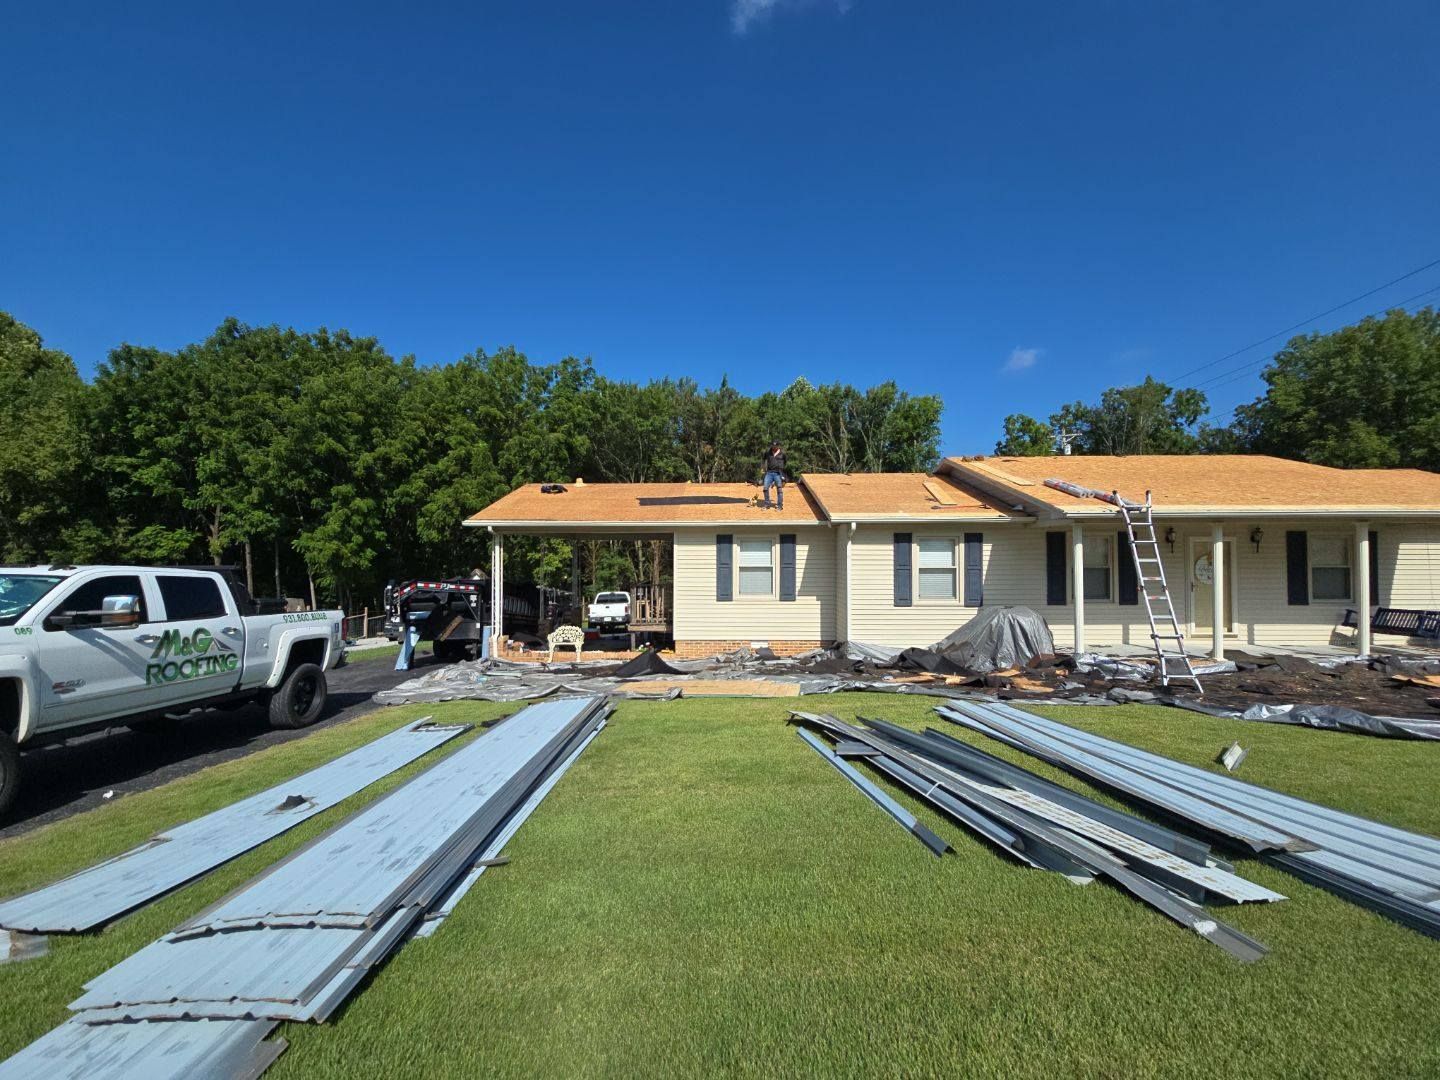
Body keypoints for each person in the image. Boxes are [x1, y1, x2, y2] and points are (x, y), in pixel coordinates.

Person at [761, 441, 786, 510]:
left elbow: (785, 462)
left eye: (775, 446)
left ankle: (780, 505)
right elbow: (763, 459)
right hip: (769, 473)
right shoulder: (768, 452)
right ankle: (767, 504)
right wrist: (763, 468)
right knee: (765, 488)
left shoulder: (782, 453)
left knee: (779, 490)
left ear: (778, 446)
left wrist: (782, 472)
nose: (773, 447)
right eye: (772, 446)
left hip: (778, 473)